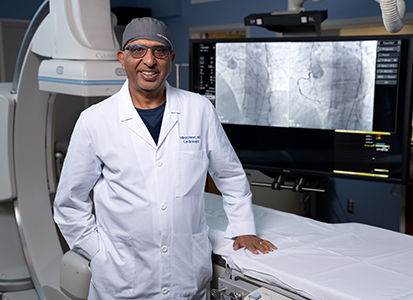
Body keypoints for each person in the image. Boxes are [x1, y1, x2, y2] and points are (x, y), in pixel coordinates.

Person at [53, 17, 276, 300]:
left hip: (187, 276)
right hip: (120, 281)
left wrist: (243, 228)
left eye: (159, 51)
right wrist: (97, 252)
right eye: (138, 50)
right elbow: (69, 203)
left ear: (170, 59)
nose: (149, 60)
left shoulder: (199, 110)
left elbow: (229, 174)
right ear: (122, 59)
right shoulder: (94, 120)